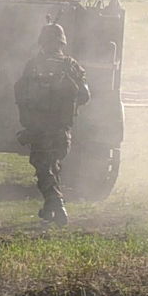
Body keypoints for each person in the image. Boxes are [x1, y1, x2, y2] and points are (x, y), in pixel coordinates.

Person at [14, 23, 91, 225]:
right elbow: (85, 95)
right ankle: (49, 210)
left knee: (43, 169)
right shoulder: (71, 65)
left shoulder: (32, 65)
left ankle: (58, 203)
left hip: (38, 127)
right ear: (62, 42)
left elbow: (20, 93)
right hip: (62, 128)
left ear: (42, 41)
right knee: (52, 167)